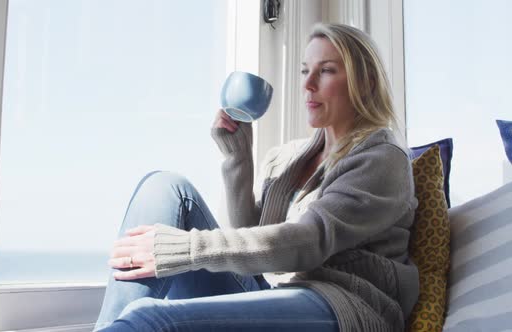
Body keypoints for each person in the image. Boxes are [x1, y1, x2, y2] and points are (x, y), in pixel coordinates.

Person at [93, 23, 419, 332]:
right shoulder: (289, 157)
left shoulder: (381, 156)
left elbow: (309, 241)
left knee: (152, 321)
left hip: (345, 306)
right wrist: (238, 160)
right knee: (164, 187)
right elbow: (252, 244)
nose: (307, 85)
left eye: (327, 70)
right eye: (305, 70)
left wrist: (183, 249)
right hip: (273, 289)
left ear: (365, 82)